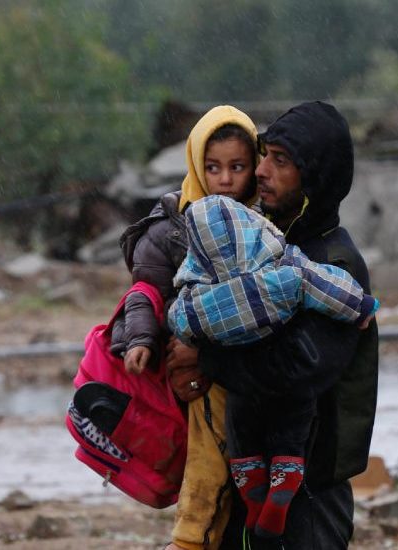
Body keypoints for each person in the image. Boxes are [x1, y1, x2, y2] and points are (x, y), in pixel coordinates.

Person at [190, 101, 378, 549]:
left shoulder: (333, 264)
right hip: (254, 475)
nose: (259, 171)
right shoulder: (263, 241)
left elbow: (297, 369)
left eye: (281, 160)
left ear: (314, 176)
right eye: (263, 155)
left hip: (309, 487)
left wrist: (204, 354)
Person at [111, 105, 259, 550]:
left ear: (255, 166)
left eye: (238, 167)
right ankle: (189, 539)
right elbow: (146, 292)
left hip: (253, 372)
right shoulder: (175, 224)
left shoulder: (266, 221)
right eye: (213, 168)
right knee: (208, 462)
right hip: (198, 374)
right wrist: (140, 339)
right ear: (196, 165)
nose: (226, 180)